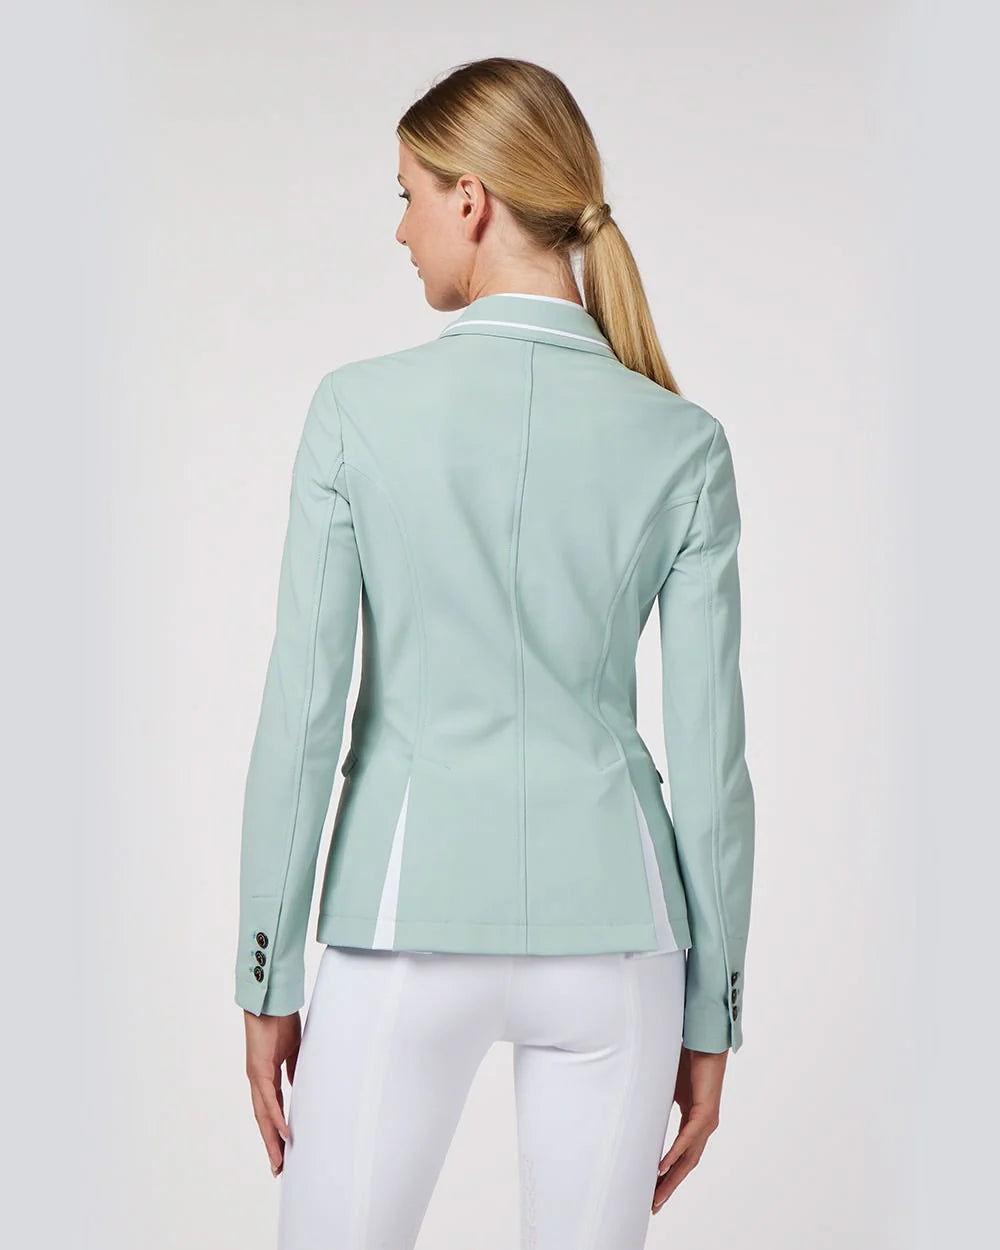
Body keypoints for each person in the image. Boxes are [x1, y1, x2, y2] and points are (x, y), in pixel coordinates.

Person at [235, 55, 755, 1250]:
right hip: (621, 937)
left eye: (408, 193)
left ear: (470, 198)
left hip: (402, 919)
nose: (400, 228)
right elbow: (711, 760)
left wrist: (266, 974)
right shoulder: (682, 440)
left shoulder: (355, 410)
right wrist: (715, 1009)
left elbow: (303, 713)